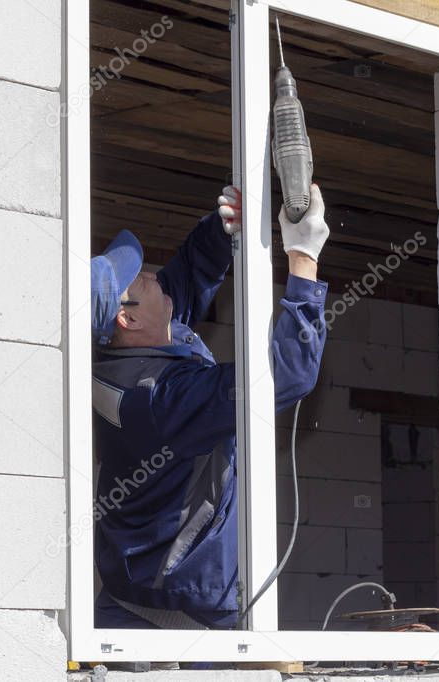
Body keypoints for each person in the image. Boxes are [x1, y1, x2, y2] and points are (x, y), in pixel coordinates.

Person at [90, 184, 331, 630]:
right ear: (128, 317)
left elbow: (180, 280)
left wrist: (223, 230)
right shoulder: (160, 398)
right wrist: (303, 258)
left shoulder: (126, 349)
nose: (154, 274)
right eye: (140, 277)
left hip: (130, 596)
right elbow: (285, 375)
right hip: (178, 617)